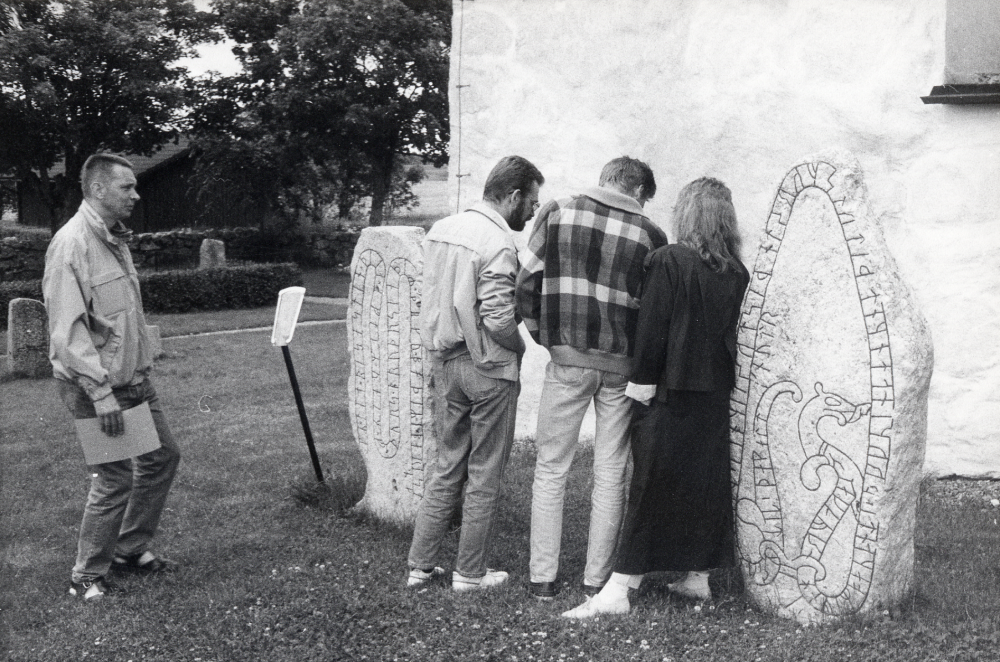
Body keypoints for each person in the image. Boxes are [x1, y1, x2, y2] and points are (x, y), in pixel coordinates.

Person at [561, 177, 750, 618]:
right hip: (713, 393)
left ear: (687, 213)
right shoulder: (737, 271)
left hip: (668, 391)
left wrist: (641, 386)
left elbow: (653, 329)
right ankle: (698, 578)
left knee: (650, 487)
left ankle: (618, 590)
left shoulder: (668, 260)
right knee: (703, 485)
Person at [516, 157, 668, 600]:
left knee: (551, 468)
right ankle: (596, 581)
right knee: (610, 472)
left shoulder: (559, 210)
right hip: (621, 367)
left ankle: (542, 578)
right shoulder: (652, 234)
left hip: (568, 358)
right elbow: (654, 308)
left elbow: (526, 282)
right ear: (638, 191)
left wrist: (548, 338)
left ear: (606, 179)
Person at [44, 153, 181, 601]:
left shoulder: (113, 238)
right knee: (115, 476)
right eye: (127, 187)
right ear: (99, 190)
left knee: (161, 458)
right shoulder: (73, 244)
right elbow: (68, 329)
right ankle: (86, 575)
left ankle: (129, 548)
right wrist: (100, 393)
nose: (136, 195)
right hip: (97, 386)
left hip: (133, 379)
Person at [406, 155, 545, 592]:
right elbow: (499, 318)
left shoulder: (442, 229)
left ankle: (420, 567)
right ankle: (469, 573)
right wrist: (521, 349)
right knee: (485, 470)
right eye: (532, 203)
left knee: (448, 465)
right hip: (488, 367)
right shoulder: (498, 242)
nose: (533, 212)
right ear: (514, 196)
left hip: (447, 362)